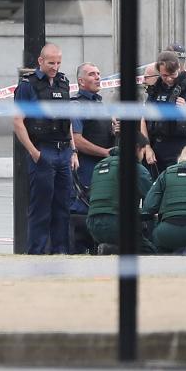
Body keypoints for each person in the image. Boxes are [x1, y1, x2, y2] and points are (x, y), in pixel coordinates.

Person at [13, 43, 79, 254]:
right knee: (41, 207)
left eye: (58, 62)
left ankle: (61, 251)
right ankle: (37, 252)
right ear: (40, 61)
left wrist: (74, 150)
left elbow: (66, 119)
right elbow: (18, 121)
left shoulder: (63, 82)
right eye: (51, 62)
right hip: (43, 150)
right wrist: (34, 152)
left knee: (63, 206)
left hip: (63, 150)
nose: (55, 66)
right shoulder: (28, 85)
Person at [70, 62, 117, 254]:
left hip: (102, 171)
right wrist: (104, 152)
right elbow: (77, 140)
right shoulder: (77, 105)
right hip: (86, 171)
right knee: (82, 213)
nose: (97, 77)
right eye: (92, 74)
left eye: (98, 73)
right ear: (81, 81)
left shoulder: (99, 103)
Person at [86, 132, 156, 254]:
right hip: (117, 224)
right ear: (136, 148)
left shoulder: (99, 165)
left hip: (93, 226)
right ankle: (112, 249)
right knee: (149, 250)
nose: (143, 156)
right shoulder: (135, 167)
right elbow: (152, 201)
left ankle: (109, 249)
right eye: (143, 152)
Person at [144, 50, 186, 173]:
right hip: (157, 151)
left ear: (179, 68)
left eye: (172, 74)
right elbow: (144, 118)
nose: (168, 79)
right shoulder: (156, 89)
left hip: (181, 151)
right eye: (164, 75)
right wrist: (147, 147)